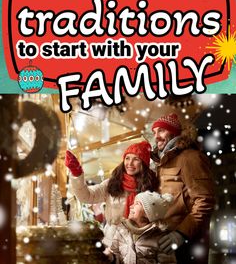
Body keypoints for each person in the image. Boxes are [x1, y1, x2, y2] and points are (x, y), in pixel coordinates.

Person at [65, 141, 158, 247]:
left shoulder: (151, 186)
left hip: (141, 242)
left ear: (143, 163)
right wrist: (76, 173)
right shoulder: (113, 183)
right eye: (127, 158)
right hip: (113, 241)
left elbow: (158, 217)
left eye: (136, 159)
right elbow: (86, 196)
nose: (130, 163)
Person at [151, 113, 215, 264]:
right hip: (166, 240)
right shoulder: (163, 162)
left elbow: (204, 200)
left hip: (187, 241)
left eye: (161, 131)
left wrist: (181, 234)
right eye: (154, 132)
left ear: (173, 132)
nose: (156, 136)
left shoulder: (190, 157)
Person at [108, 190, 176, 264]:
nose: (131, 206)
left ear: (148, 214)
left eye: (137, 204)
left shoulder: (160, 239)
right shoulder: (121, 230)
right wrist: (111, 257)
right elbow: (115, 254)